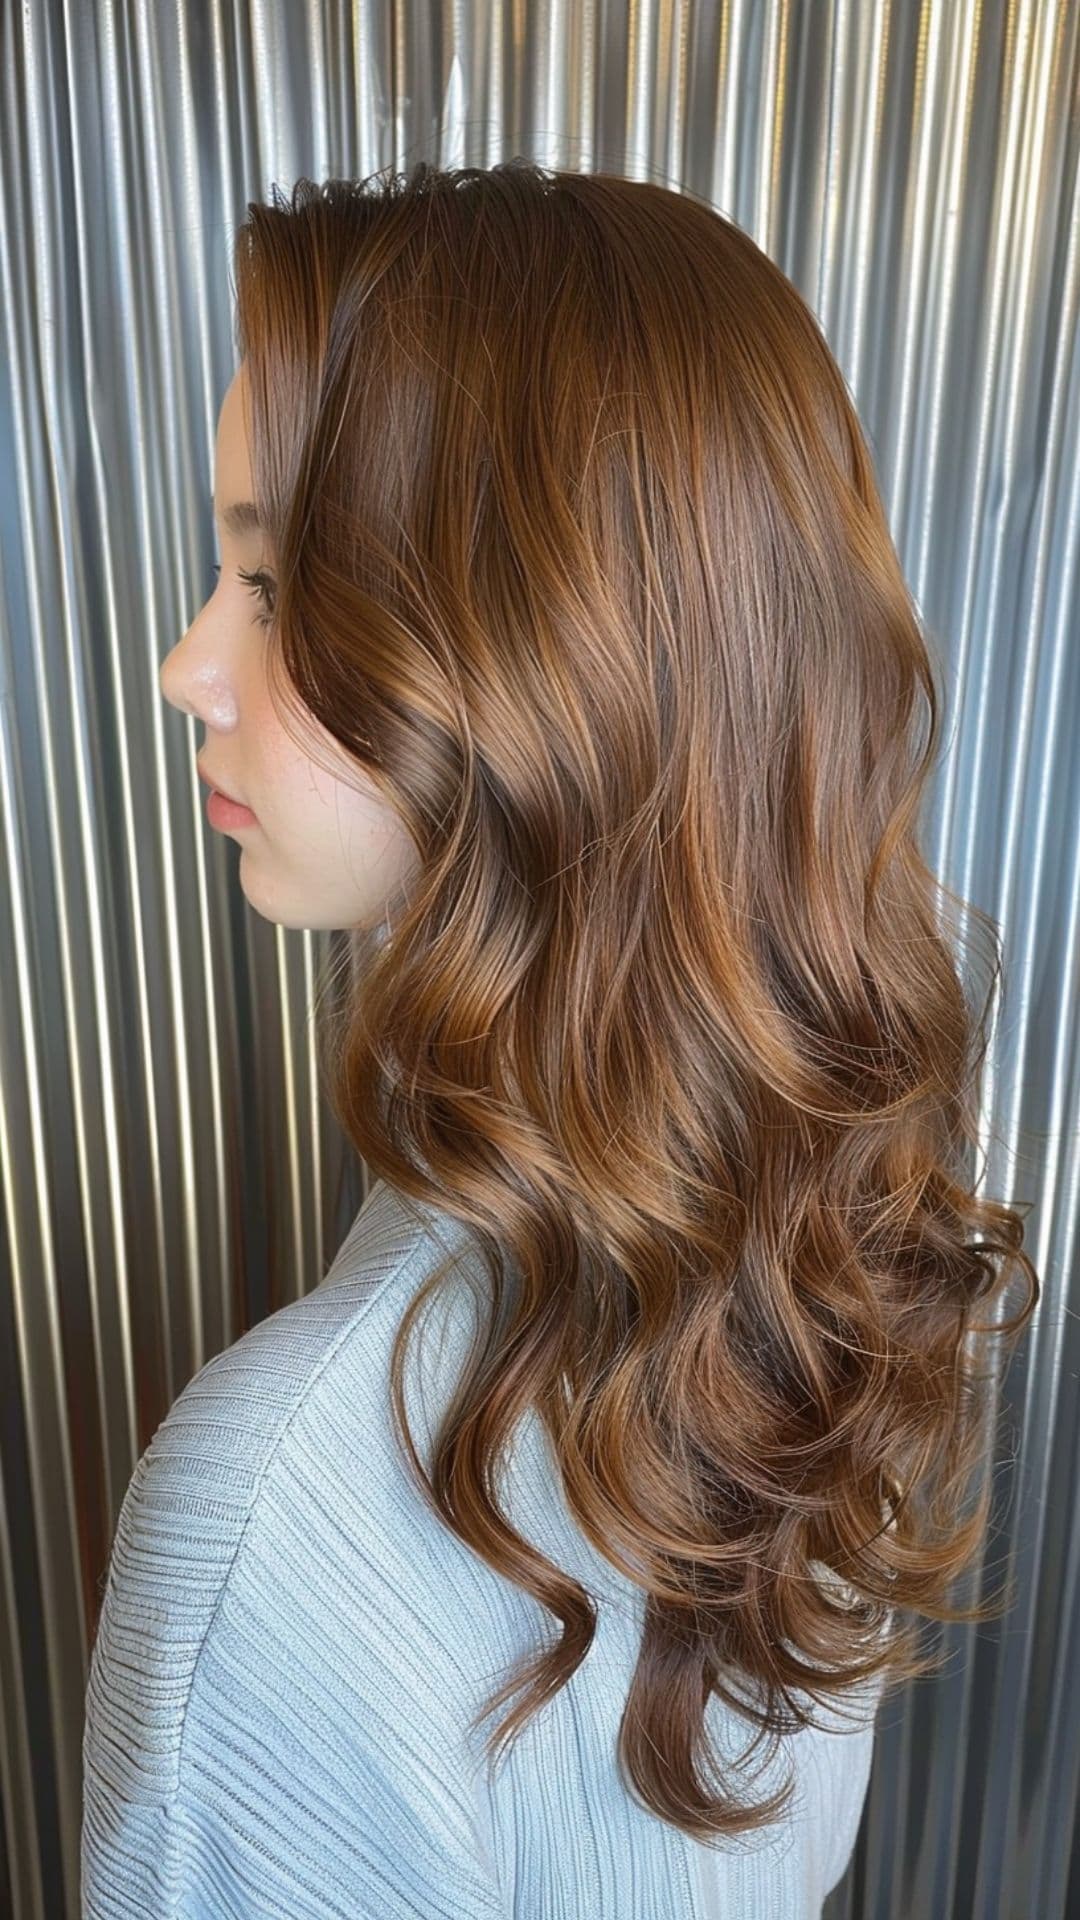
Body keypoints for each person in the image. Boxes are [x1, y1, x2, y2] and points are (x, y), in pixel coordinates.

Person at [81, 159, 1037, 1918]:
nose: (184, 668)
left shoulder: (271, 1524)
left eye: (277, 589)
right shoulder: (823, 1271)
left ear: (536, 660)